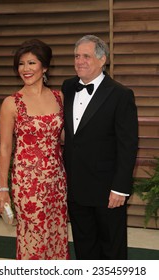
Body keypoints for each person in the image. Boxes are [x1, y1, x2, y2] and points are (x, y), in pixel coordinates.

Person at [61, 34, 138, 260]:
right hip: (76, 187)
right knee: (84, 247)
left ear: (102, 59)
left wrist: (120, 188)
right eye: (76, 56)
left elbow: (128, 145)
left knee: (112, 249)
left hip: (107, 190)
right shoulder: (67, 87)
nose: (79, 61)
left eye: (86, 56)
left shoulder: (121, 94)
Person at [0, 39, 69, 260]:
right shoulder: (11, 103)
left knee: (56, 234)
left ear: (44, 66)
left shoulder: (59, 97)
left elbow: (62, 137)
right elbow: (6, 147)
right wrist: (3, 189)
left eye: (31, 63)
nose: (25, 69)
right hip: (28, 183)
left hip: (57, 180)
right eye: (21, 64)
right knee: (34, 239)